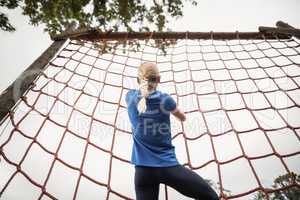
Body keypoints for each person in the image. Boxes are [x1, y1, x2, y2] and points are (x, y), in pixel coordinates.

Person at [125, 62, 219, 200]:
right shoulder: (165, 100)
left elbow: (140, 98)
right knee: (211, 197)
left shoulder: (129, 97)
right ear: (158, 79)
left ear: (138, 80)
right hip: (167, 168)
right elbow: (182, 117)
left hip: (142, 172)